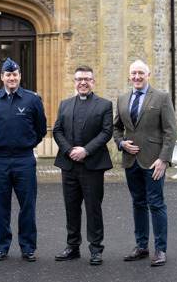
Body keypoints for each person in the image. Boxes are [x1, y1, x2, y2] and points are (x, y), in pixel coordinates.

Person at [113, 59, 177, 267]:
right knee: (138, 203)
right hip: (131, 161)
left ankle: (160, 250)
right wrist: (121, 143)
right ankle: (141, 246)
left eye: (141, 73)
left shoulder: (161, 97)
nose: (137, 77)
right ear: (129, 76)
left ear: (148, 75)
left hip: (153, 162)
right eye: (134, 73)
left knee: (156, 204)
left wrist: (163, 159)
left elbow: (170, 131)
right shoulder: (122, 99)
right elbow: (116, 128)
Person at [0, 58, 47, 262]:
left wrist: (26, 143)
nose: (12, 78)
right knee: (2, 206)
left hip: (24, 159)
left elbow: (40, 129)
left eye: (15, 74)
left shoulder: (32, 99)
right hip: (0, 159)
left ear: (20, 77)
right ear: (2, 77)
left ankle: (28, 247)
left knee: (27, 205)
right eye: (8, 75)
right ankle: (1, 246)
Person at [53, 65, 114, 266]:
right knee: (71, 208)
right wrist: (70, 150)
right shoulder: (64, 104)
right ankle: (72, 247)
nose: (83, 82)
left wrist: (85, 151)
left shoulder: (104, 105)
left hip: (92, 165)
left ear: (93, 82)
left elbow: (106, 132)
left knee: (93, 208)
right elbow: (57, 131)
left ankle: (96, 249)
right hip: (69, 165)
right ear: (74, 82)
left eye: (87, 79)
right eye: (79, 79)